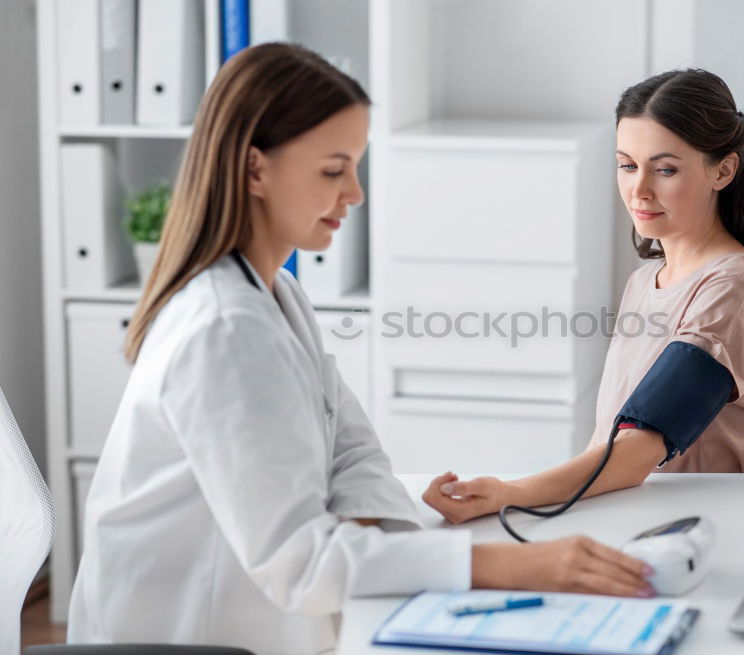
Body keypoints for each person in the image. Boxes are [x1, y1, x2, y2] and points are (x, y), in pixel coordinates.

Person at [66, 43, 654, 654]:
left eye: (356, 167)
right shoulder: (222, 330)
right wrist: (506, 566)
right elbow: (300, 564)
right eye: (332, 169)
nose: (354, 193)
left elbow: (352, 449)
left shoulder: (277, 293)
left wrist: (387, 540)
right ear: (254, 169)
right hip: (187, 637)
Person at [423, 69, 744, 525]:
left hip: (679, 522)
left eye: (665, 169)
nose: (639, 190)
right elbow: (609, 440)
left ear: (723, 170)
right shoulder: (645, 281)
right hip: (625, 508)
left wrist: (511, 494)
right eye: (627, 165)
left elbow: (640, 446)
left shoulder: (730, 289)